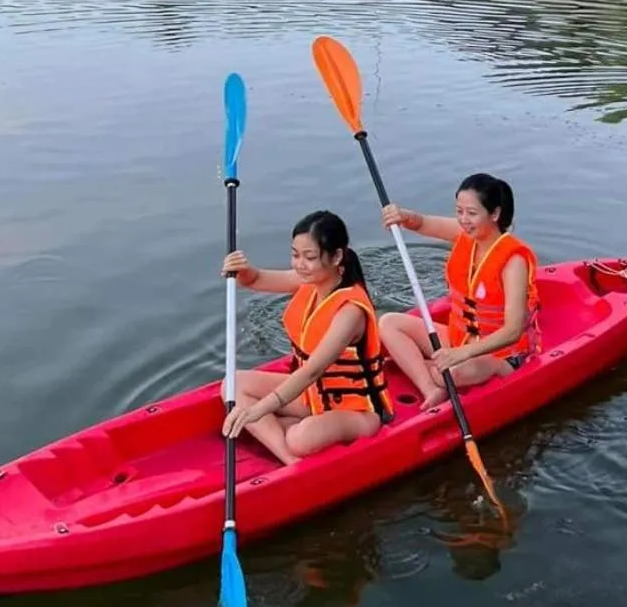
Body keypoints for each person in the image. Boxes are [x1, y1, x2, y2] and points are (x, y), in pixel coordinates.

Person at [221, 210, 390, 464]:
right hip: (312, 396)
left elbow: (312, 370)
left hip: (356, 410)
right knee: (234, 384)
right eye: (295, 254)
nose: (300, 264)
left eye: (309, 257)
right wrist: (241, 270)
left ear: (336, 257)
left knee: (300, 438)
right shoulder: (307, 281)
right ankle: (290, 458)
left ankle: (288, 437)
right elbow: (255, 279)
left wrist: (259, 410)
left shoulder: (350, 310)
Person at [379, 174, 539, 407]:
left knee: (452, 372)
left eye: (472, 213)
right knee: (389, 323)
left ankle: (442, 368)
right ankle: (430, 388)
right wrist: (402, 216)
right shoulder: (466, 234)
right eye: (459, 211)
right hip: (459, 339)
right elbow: (422, 223)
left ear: (494, 214)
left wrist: (462, 354)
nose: (464, 220)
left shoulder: (513, 261)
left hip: (499, 353)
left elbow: (513, 331)